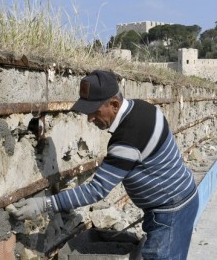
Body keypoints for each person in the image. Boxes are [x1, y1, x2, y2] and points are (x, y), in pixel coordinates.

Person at [11, 70, 199, 259]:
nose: (90, 119)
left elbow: (96, 190)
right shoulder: (143, 108)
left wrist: (44, 204)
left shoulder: (127, 138)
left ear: (114, 104)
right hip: (180, 198)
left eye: (95, 112)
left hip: (171, 211)